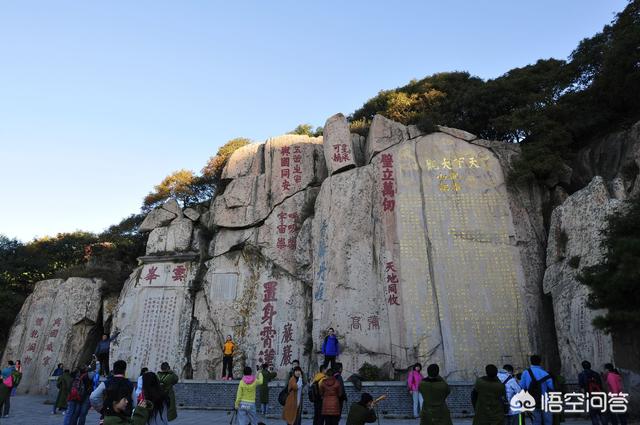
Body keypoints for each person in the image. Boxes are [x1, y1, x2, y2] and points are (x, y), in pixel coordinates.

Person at [90, 360, 134, 424]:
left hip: (107, 417)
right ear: (124, 370)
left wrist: (102, 409)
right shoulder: (129, 384)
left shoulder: (106, 383)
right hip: (124, 419)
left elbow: (93, 397)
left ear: (113, 370)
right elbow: (134, 403)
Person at [520, 355, 554, 425]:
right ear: (540, 362)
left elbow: (522, 387)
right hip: (545, 400)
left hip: (532, 400)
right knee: (548, 421)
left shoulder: (525, 373)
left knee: (536, 421)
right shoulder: (545, 373)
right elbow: (551, 387)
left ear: (531, 361)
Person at [578, 361, 604, 425]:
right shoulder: (596, 374)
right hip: (599, 395)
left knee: (593, 414)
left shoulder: (581, 375)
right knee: (601, 413)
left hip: (589, 396)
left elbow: (581, 387)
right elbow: (600, 385)